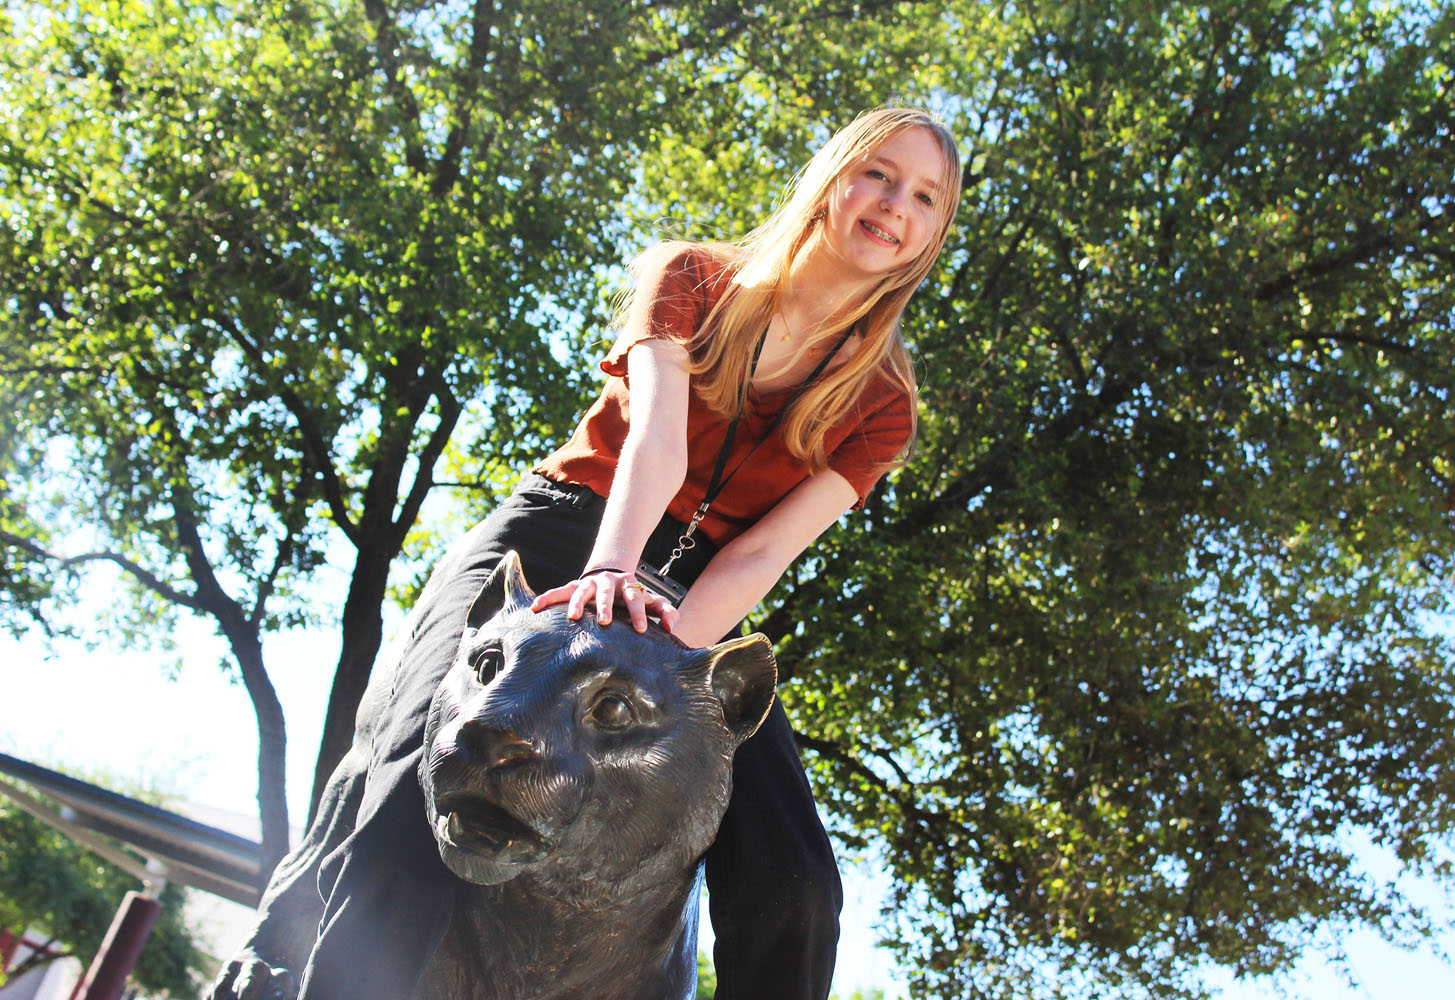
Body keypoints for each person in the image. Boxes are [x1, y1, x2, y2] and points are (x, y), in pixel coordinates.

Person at [297, 105, 961, 1000]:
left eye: (925, 195)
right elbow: (658, 442)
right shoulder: (689, 276)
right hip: (566, 526)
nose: (895, 204)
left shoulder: (883, 404)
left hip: (692, 603)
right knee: (416, 761)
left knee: (798, 882)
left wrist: (662, 663)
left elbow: (764, 553)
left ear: (932, 233)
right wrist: (607, 574)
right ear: (834, 178)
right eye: (879, 174)